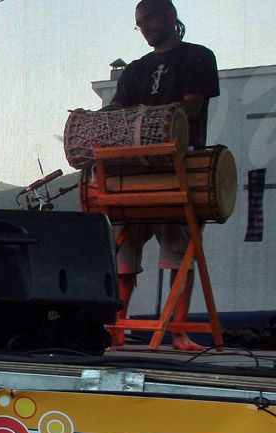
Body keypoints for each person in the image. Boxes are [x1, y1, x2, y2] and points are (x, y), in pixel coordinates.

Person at [109, 0, 218, 351]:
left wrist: (155, 122)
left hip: (178, 166)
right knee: (125, 253)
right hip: (134, 171)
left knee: (178, 251)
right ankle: (117, 330)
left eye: (150, 19)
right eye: (139, 23)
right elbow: (117, 110)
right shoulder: (135, 69)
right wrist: (95, 118)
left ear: (170, 16)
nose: (145, 28)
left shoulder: (198, 56)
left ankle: (179, 333)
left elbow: (192, 105)